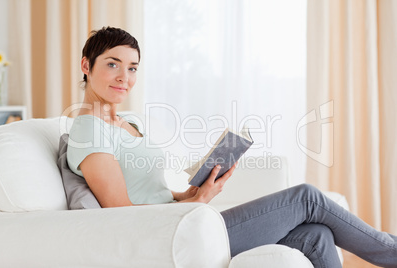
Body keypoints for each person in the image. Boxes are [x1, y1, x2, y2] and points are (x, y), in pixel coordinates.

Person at [67, 26, 397, 268]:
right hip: (169, 233)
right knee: (306, 197)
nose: (124, 76)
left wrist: (193, 194)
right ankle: (391, 251)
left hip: (183, 217)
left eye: (133, 67)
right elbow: (119, 214)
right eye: (112, 64)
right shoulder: (87, 129)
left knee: (316, 235)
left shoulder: (130, 122)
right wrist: (193, 205)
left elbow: (152, 194)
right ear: (86, 66)